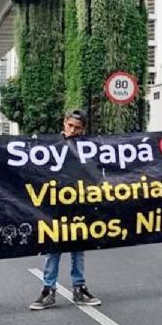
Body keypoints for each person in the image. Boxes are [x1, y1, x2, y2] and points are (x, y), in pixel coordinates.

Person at [30, 110, 102, 310]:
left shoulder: (88, 147)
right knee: (53, 248)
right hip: (55, 204)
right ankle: (48, 289)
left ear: (83, 129)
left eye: (77, 128)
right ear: (64, 123)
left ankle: (79, 287)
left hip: (78, 204)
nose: (73, 130)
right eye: (70, 126)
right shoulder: (51, 145)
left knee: (78, 248)